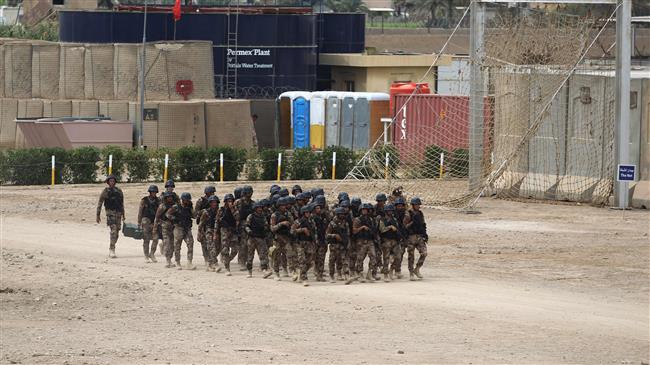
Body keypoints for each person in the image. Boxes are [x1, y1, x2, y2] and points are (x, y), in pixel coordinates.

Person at [96, 175, 125, 258]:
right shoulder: (105, 191)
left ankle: (112, 246)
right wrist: (98, 215)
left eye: (113, 181)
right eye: (110, 181)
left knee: (117, 233)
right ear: (108, 182)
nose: (112, 182)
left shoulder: (119, 191)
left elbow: (122, 203)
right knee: (113, 231)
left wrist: (123, 214)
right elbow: (100, 203)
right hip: (110, 213)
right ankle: (112, 249)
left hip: (118, 213)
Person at [166, 192, 196, 270]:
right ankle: (177, 262)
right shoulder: (176, 207)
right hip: (178, 228)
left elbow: (194, 216)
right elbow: (167, 214)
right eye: (186, 200)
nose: (187, 201)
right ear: (182, 200)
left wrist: (192, 208)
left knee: (190, 244)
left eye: (188, 200)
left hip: (187, 228)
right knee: (177, 246)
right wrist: (175, 219)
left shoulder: (189, 207)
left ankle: (189, 262)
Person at [245, 202, 272, 279]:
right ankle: (249, 272)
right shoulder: (251, 216)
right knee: (250, 255)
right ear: (255, 209)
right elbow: (246, 226)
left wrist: (265, 229)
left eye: (260, 207)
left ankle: (264, 270)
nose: (260, 209)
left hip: (260, 238)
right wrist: (249, 231)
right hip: (252, 238)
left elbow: (266, 225)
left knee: (263, 255)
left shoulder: (263, 217)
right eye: (258, 208)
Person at [291, 204, 317, 287]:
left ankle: (300, 273)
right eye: (306, 212)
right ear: (303, 213)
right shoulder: (299, 221)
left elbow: (314, 231)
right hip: (301, 244)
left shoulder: (311, 221)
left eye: (309, 212)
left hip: (310, 243)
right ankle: (304, 278)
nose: (308, 214)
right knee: (302, 261)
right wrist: (302, 230)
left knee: (310, 262)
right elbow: (292, 231)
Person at [351, 203, 377, 284]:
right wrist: (362, 227)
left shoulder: (371, 219)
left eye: (366, 210)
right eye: (363, 210)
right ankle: (360, 273)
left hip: (370, 240)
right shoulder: (357, 220)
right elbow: (354, 231)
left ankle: (370, 273)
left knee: (373, 256)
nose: (365, 211)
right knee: (360, 258)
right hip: (361, 241)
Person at [270, 197, 294, 281]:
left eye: (285, 205)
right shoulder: (274, 215)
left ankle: (291, 271)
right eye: (282, 205)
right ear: (279, 206)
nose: (284, 207)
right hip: (278, 238)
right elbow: (272, 228)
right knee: (277, 256)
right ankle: (276, 273)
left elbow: (292, 224)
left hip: (286, 237)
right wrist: (281, 224)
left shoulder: (288, 214)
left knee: (290, 254)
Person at [403, 197, 428, 280]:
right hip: (411, 237)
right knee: (411, 256)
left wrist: (425, 234)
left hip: (419, 236)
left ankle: (417, 269)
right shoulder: (408, 213)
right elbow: (405, 226)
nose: (418, 206)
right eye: (416, 205)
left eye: (418, 205)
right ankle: (411, 272)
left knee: (424, 253)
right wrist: (413, 222)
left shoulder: (420, 213)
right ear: (413, 205)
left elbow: (423, 224)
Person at [326, 207, 350, 283]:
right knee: (332, 260)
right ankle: (331, 275)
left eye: (343, 214)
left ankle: (345, 275)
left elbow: (347, 234)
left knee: (343, 260)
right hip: (334, 245)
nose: (342, 215)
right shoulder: (332, 223)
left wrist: (347, 242)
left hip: (343, 244)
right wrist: (334, 235)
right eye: (341, 214)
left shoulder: (345, 223)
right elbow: (327, 234)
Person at [137, 185, 161, 263]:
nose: (154, 193)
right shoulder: (144, 200)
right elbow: (140, 212)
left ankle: (152, 254)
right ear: (150, 192)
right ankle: (146, 255)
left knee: (156, 239)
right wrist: (139, 222)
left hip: (154, 221)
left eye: (155, 192)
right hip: (146, 220)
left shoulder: (158, 201)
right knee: (146, 239)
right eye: (152, 192)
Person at [198, 195, 221, 272]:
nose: (214, 204)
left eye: (215, 202)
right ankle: (215, 264)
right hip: (208, 231)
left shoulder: (220, 211)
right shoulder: (206, 212)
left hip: (217, 231)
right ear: (210, 203)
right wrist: (199, 233)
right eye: (212, 202)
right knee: (211, 247)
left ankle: (210, 262)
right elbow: (201, 223)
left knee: (218, 248)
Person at [218, 193, 239, 276]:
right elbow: (217, 221)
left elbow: (237, 218)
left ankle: (226, 260)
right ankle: (227, 268)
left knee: (235, 250)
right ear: (225, 202)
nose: (230, 202)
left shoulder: (235, 209)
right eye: (228, 201)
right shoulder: (221, 210)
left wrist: (232, 209)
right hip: (224, 230)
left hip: (232, 230)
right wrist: (216, 233)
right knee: (225, 250)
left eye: (231, 201)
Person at [154, 192, 177, 268]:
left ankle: (170, 259)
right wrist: (155, 228)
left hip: (173, 226)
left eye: (171, 197)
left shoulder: (175, 206)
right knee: (167, 243)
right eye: (168, 197)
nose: (170, 198)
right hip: (165, 226)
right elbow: (157, 217)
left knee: (172, 244)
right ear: (165, 198)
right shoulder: (162, 206)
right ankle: (168, 261)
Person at [378, 204, 401, 282]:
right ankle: (385, 274)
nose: (390, 212)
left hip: (394, 240)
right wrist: (390, 227)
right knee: (386, 259)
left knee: (398, 257)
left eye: (391, 211)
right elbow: (382, 229)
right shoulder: (382, 220)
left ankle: (391, 269)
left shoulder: (394, 219)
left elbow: (397, 229)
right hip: (386, 241)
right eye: (389, 211)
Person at [196, 186, 217, 267]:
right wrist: (204, 212)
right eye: (211, 192)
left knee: (211, 243)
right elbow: (195, 213)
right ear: (207, 192)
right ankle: (206, 259)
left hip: (210, 223)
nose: (213, 194)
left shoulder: (214, 200)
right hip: (203, 222)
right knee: (204, 243)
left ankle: (211, 259)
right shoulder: (201, 201)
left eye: (213, 192)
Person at [235, 185, 254, 270]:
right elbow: (233, 214)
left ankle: (245, 261)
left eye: (251, 192)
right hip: (240, 224)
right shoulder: (238, 202)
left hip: (249, 224)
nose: (250, 194)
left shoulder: (252, 203)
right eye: (249, 192)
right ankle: (242, 262)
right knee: (242, 244)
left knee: (248, 244)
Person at [311, 199, 329, 282]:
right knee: (314, 257)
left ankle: (320, 274)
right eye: (317, 208)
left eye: (319, 208)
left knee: (321, 258)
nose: (318, 210)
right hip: (314, 241)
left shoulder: (323, 217)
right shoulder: (312, 218)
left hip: (322, 239)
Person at [393, 197, 408, 279]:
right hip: (393, 237)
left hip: (402, 236)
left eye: (401, 206)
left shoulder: (406, 215)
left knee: (401, 253)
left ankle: (397, 270)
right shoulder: (392, 215)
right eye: (398, 206)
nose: (400, 207)